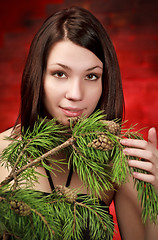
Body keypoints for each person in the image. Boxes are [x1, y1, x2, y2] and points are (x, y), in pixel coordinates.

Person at [0, 6, 158, 239]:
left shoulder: (116, 162)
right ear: (38, 76)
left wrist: (154, 193)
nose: (75, 93)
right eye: (60, 74)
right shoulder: (2, 152)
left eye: (91, 76)